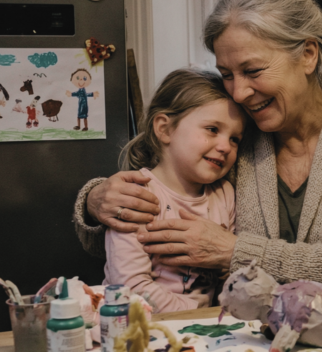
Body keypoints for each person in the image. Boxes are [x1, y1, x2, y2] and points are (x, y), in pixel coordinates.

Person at [73, 0, 322, 293]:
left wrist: (233, 252)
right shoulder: (234, 135)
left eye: (252, 71)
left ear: (308, 55)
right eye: (227, 74)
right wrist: (95, 202)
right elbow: (148, 213)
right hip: (252, 341)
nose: (238, 94)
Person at [104, 68, 244, 313]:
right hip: (141, 328)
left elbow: (228, 272)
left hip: (202, 329)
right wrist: (195, 313)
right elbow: (130, 285)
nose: (225, 146)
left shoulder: (225, 193)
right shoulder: (136, 195)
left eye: (235, 139)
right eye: (212, 129)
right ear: (165, 129)